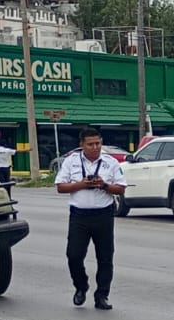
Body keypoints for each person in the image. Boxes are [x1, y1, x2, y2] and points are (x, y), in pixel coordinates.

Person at [54, 128, 126, 310]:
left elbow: (121, 189)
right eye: (91, 144)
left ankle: (102, 296)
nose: (95, 147)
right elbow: (60, 187)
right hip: (79, 216)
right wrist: (82, 184)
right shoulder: (71, 161)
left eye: (98, 143)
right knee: (74, 255)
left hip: (103, 215)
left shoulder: (110, 162)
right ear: (82, 145)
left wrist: (104, 185)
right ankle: (81, 286)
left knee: (105, 258)